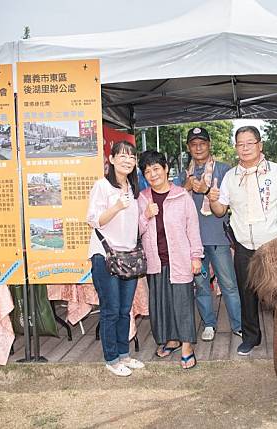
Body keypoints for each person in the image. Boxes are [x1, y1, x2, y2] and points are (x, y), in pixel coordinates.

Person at [207, 125, 277, 356]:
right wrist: (213, 198)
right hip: (244, 245)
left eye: (250, 143)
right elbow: (220, 211)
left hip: (274, 244)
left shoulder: (276, 172)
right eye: (240, 144)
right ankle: (250, 337)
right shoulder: (230, 177)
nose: (245, 148)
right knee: (246, 292)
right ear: (235, 147)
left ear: (260, 145)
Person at [175, 126, 242, 341]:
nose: (198, 147)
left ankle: (238, 325)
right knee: (201, 285)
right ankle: (209, 324)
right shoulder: (182, 174)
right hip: (193, 242)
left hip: (218, 237)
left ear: (209, 145)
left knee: (229, 284)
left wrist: (206, 191)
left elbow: (232, 201)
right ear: (188, 147)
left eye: (202, 143)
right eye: (194, 144)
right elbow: (172, 205)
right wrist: (185, 187)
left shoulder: (225, 170)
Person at [138, 150, 203, 369]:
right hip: (156, 261)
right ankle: (172, 340)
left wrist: (196, 256)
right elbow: (135, 230)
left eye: (156, 168)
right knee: (161, 304)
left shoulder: (181, 196)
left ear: (166, 169)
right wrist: (145, 215)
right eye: (147, 171)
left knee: (182, 304)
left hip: (180, 259)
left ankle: (187, 346)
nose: (152, 174)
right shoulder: (143, 198)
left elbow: (193, 228)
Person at [86, 140, 145, 377]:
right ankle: (111, 359)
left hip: (128, 257)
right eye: (122, 156)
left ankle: (124, 355)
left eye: (131, 157)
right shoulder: (102, 186)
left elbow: (133, 225)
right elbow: (93, 219)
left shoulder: (133, 189)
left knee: (124, 309)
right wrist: (117, 206)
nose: (127, 160)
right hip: (105, 256)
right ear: (111, 160)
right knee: (110, 310)